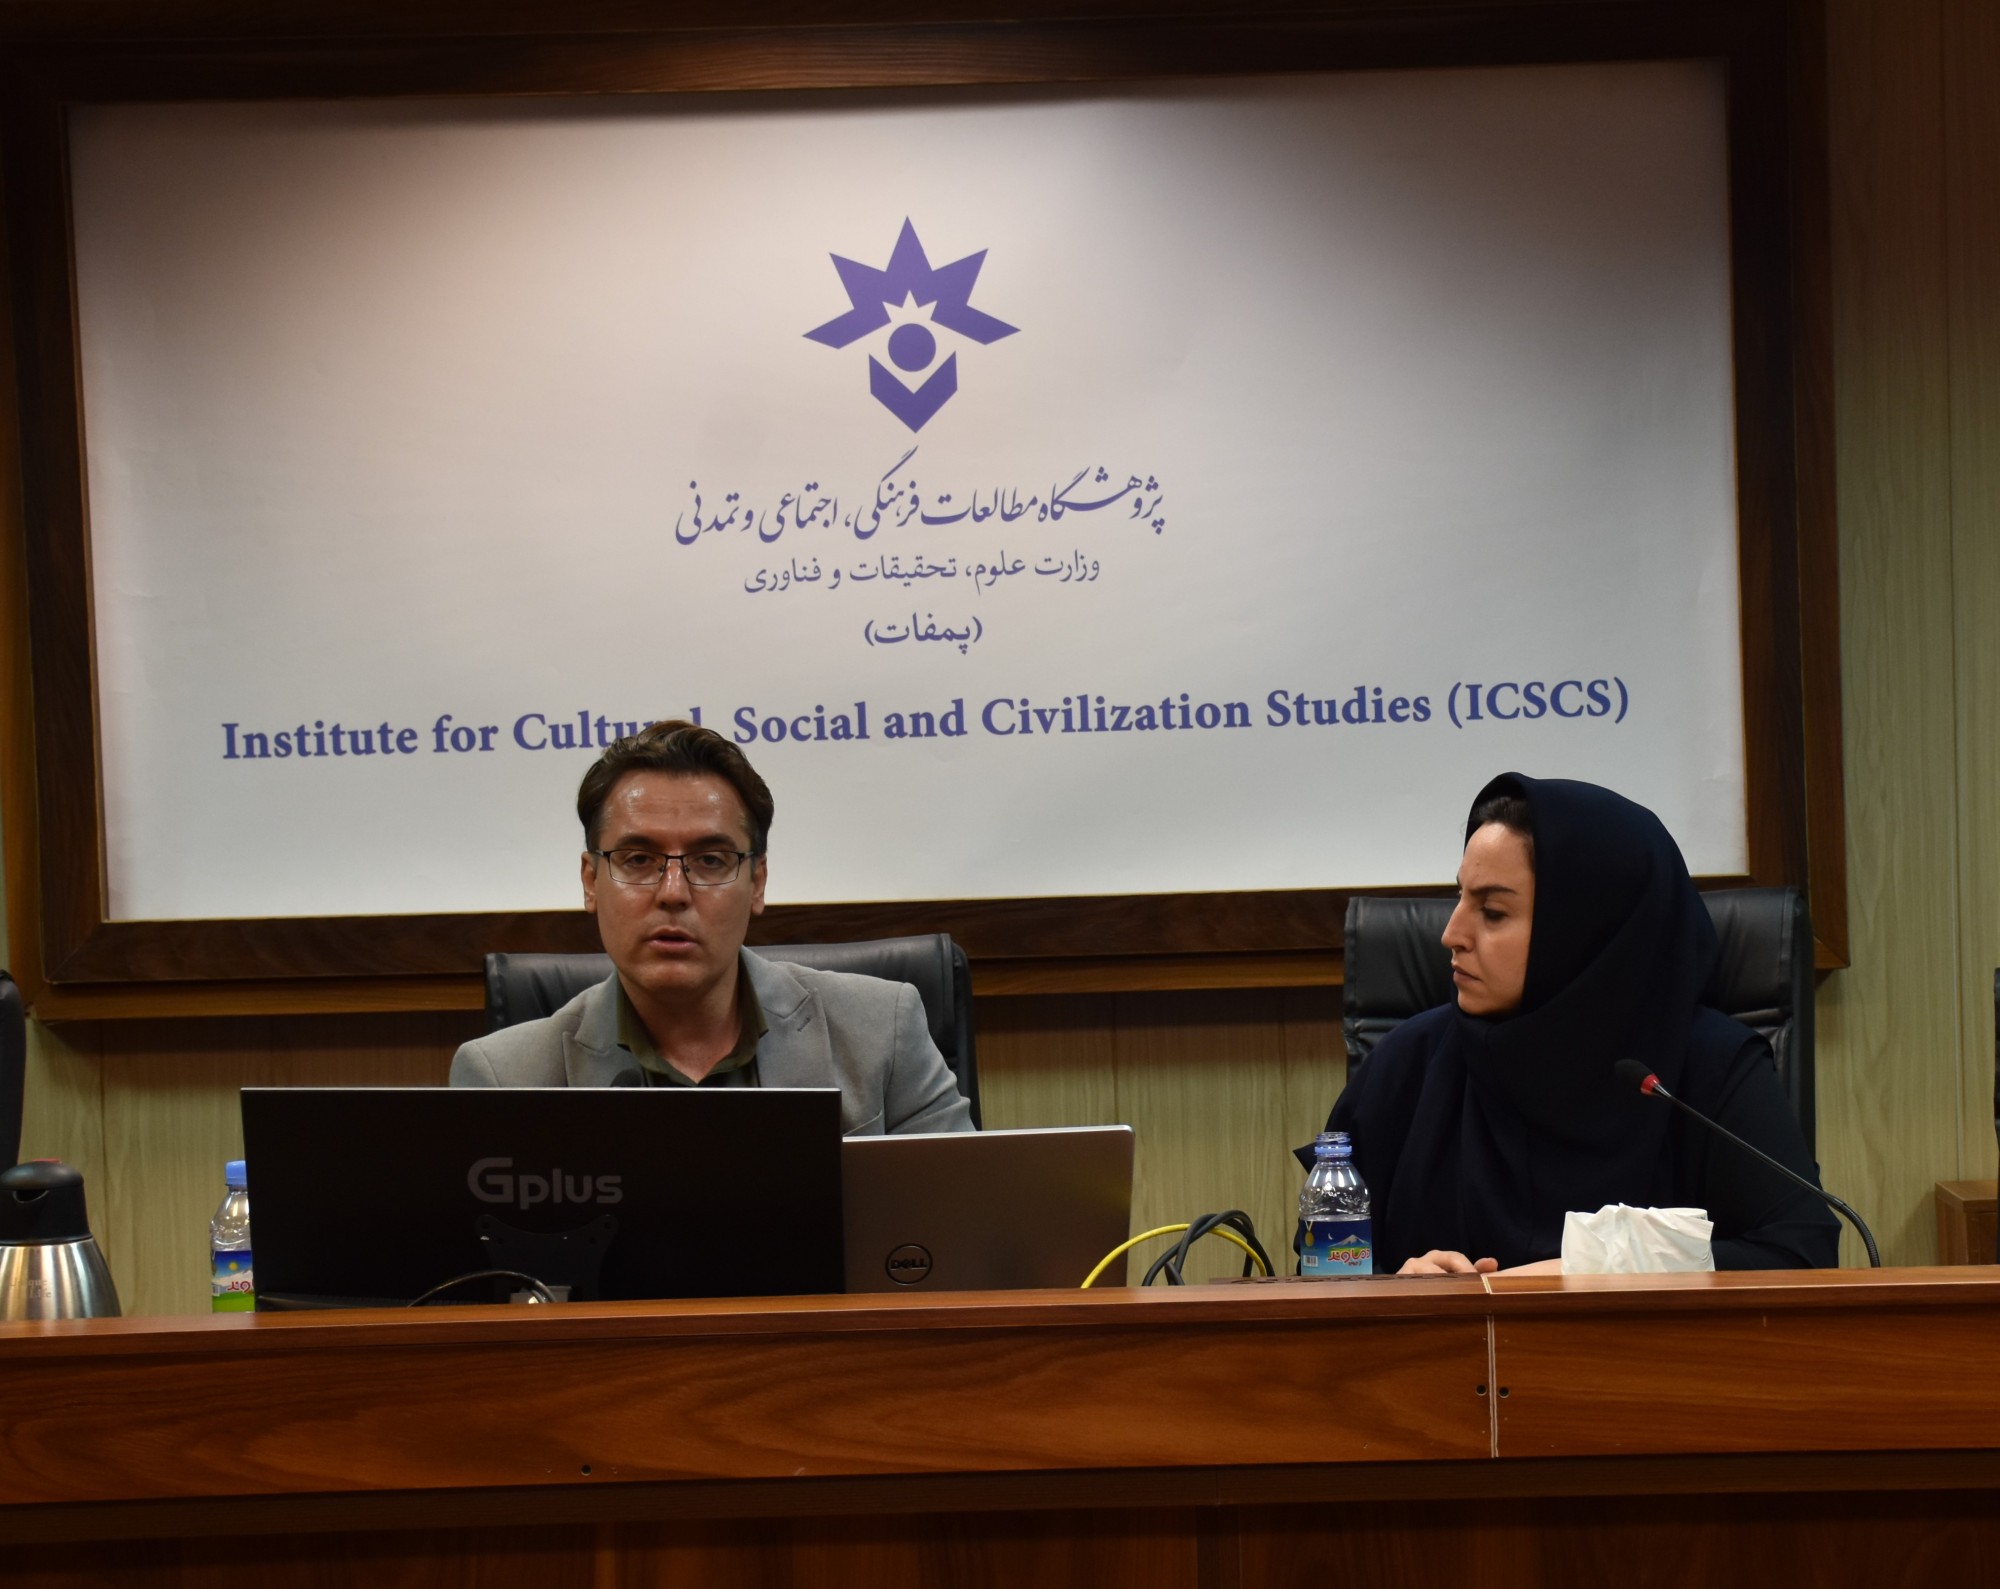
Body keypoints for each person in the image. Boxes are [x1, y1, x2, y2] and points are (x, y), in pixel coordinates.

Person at [1312, 772, 1838, 1274]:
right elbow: (1326, 1264)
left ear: (1583, 929)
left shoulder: (1704, 1069)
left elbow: (1803, 1253)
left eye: (1492, 912)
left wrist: (1605, 1271)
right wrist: (1396, 1282)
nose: (1452, 934)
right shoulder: (1408, 1062)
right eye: (1460, 899)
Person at [450, 720, 973, 1136]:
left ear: (757, 882)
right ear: (591, 882)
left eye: (710, 860)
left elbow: (963, 1222)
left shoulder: (882, 1031)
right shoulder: (503, 1079)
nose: (673, 892)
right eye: (637, 859)